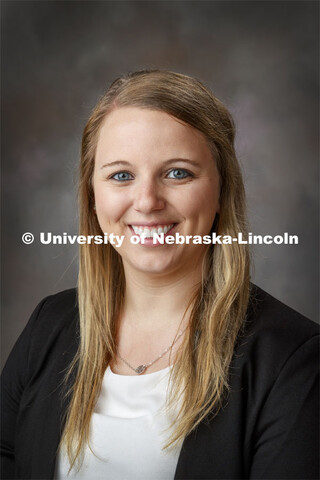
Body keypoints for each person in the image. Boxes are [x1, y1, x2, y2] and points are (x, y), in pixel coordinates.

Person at [1, 70, 319, 480]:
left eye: (177, 173)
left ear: (221, 190)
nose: (147, 201)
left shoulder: (293, 359)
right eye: (121, 175)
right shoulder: (49, 326)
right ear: (92, 196)